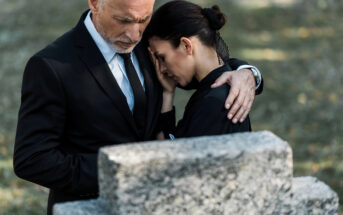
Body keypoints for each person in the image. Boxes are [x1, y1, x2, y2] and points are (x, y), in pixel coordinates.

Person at [13, 0, 263, 214]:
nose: (134, 34)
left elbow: (203, 56)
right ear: (94, 3)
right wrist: (124, 169)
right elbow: (32, 159)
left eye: (143, 19)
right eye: (123, 20)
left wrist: (246, 73)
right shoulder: (51, 66)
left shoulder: (149, 43)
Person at [145, 1, 252, 139]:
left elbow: (172, 158)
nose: (161, 68)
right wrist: (168, 94)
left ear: (186, 46)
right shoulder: (213, 89)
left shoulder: (214, 103)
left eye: (162, 57)